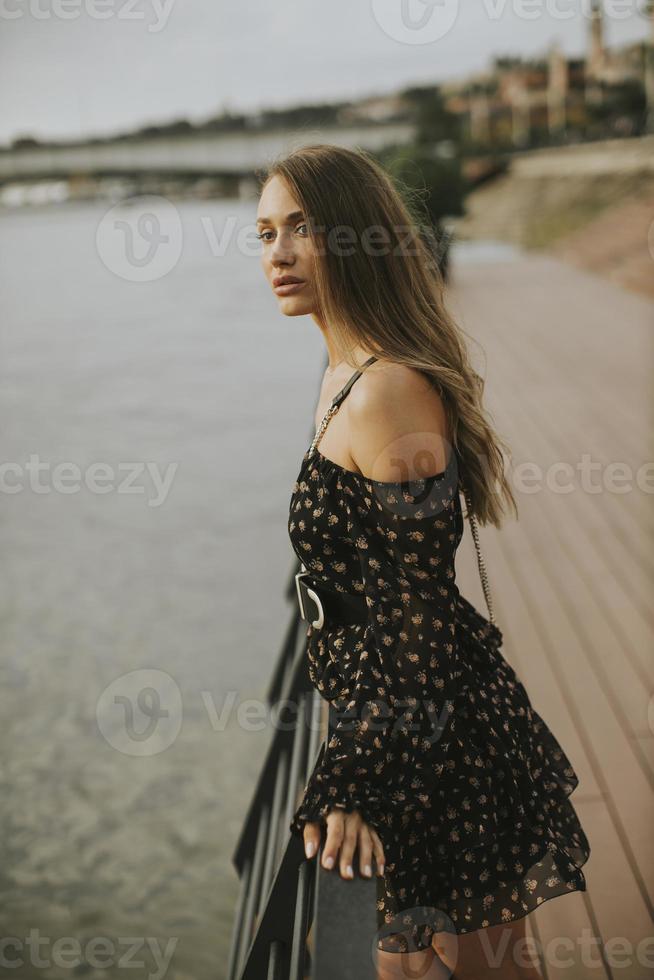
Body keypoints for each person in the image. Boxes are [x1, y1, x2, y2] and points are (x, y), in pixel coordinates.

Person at [255, 144, 590, 979]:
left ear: (356, 235)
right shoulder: (344, 371)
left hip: (435, 739)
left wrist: (348, 778)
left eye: (303, 228)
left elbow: (419, 610)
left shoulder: (386, 390)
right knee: (429, 967)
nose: (279, 255)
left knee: (479, 970)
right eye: (264, 234)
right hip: (401, 724)